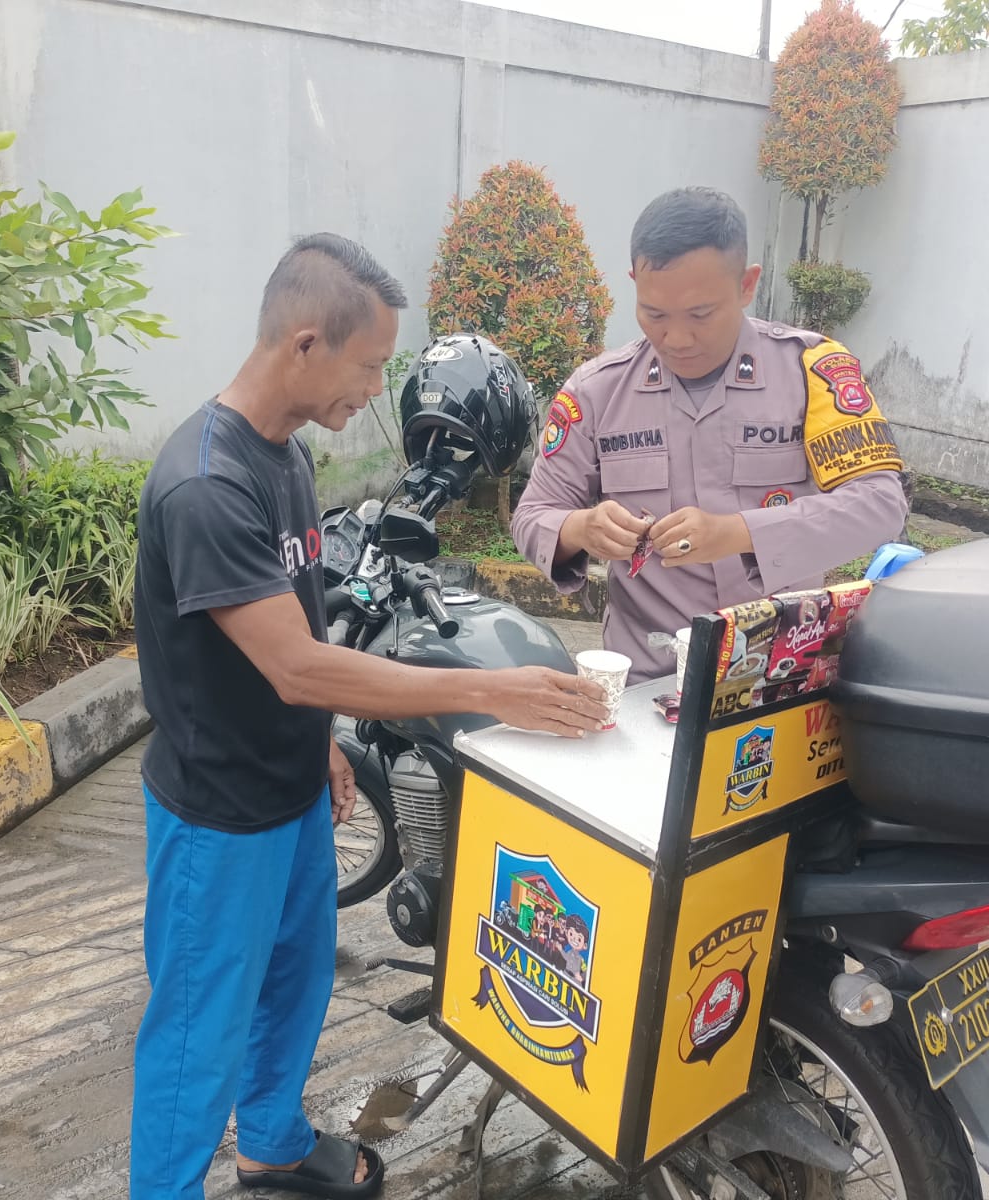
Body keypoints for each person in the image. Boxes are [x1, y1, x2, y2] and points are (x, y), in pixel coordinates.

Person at [130, 233, 606, 1200]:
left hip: (289, 789)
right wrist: (491, 691)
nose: (377, 390)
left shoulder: (286, 456)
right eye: (371, 365)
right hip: (217, 816)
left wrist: (323, 747)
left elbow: (303, 615)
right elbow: (299, 665)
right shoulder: (207, 483)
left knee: (296, 979)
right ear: (306, 344)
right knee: (195, 1037)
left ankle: (271, 1144)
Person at [512, 187, 909, 683]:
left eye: (701, 314)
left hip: (783, 673)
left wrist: (736, 534)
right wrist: (581, 528)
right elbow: (534, 514)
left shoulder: (813, 372)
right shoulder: (597, 391)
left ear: (747, 285)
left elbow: (880, 503)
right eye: (655, 314)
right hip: (651, 682)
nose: (677, 339)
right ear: (635, 283)